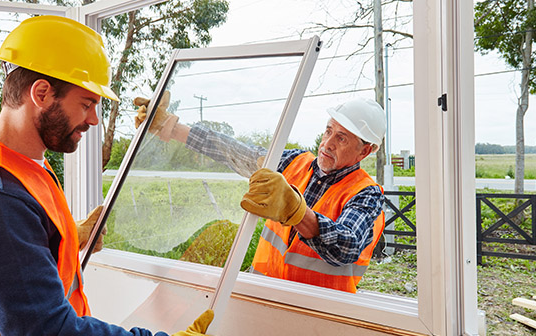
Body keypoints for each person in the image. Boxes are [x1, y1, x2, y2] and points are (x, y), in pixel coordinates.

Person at [0, 16, 212, 335]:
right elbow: (50, 330)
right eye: (87, 104)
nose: (94, 120)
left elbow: (11, 250)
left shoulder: (12, 162)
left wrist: (64, 235)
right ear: (41, 94)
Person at [134, 93, 387, 293]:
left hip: (317, 315)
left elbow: (346, 246)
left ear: (365, 151)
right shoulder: (293, 163)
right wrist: (171, 128)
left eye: (342, 139)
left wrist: (296, 212)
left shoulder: (366, 194)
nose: (328, 143)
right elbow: (234, 152)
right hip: (263, 296)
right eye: (328, 131)